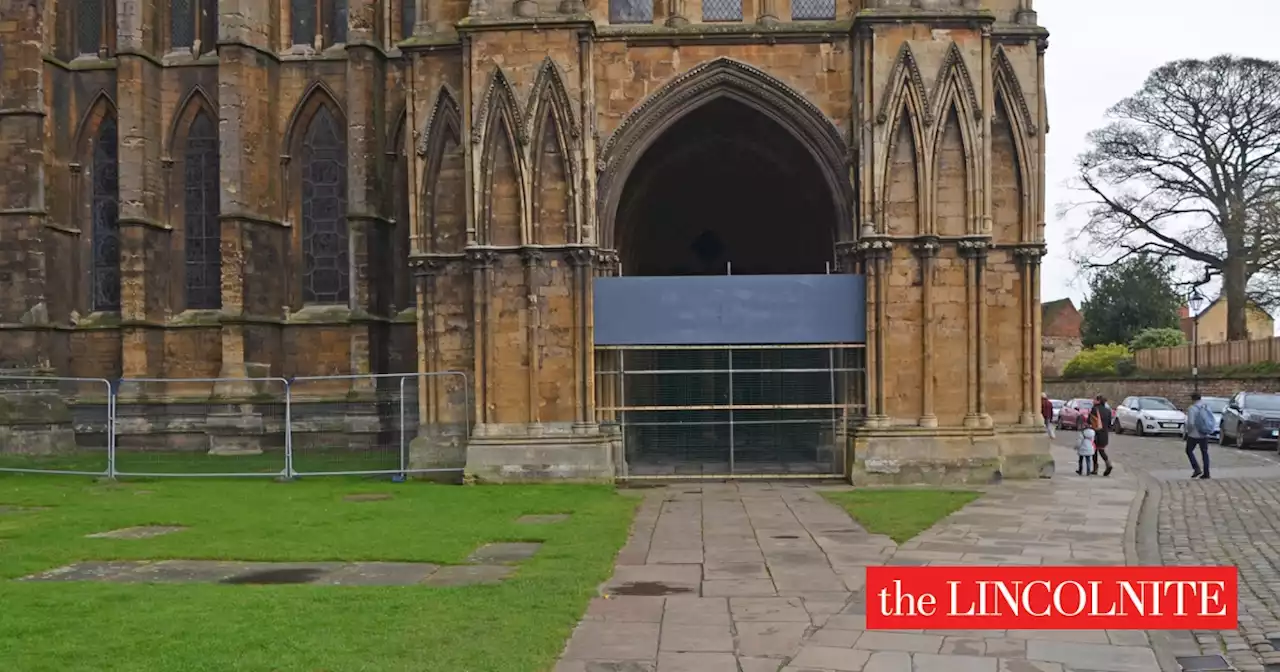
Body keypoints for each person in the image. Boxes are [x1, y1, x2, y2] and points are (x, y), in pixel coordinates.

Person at [1185, 393, 1215, 479]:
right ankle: (1206, 473)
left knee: (1188, 450)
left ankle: (1196, 468)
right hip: (1204, 433)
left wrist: (1188, 432)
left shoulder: (1192, 408)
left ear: (1193, 399)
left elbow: (1190, 423)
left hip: (1194, 434)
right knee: (1204, 453)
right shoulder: (1206, 407)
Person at [1087, 395, 1114, 476]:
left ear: (1098, 401)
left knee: (1094, 451)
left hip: (1095, 433)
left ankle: (1095, 468)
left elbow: (1089, 421)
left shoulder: (1094, 409)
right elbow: (1109, 424)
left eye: (1094, 399)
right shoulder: (1108, 411)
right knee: (1101, 450)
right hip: (1104, 433)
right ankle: (1108, 463)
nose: (1092, 401)